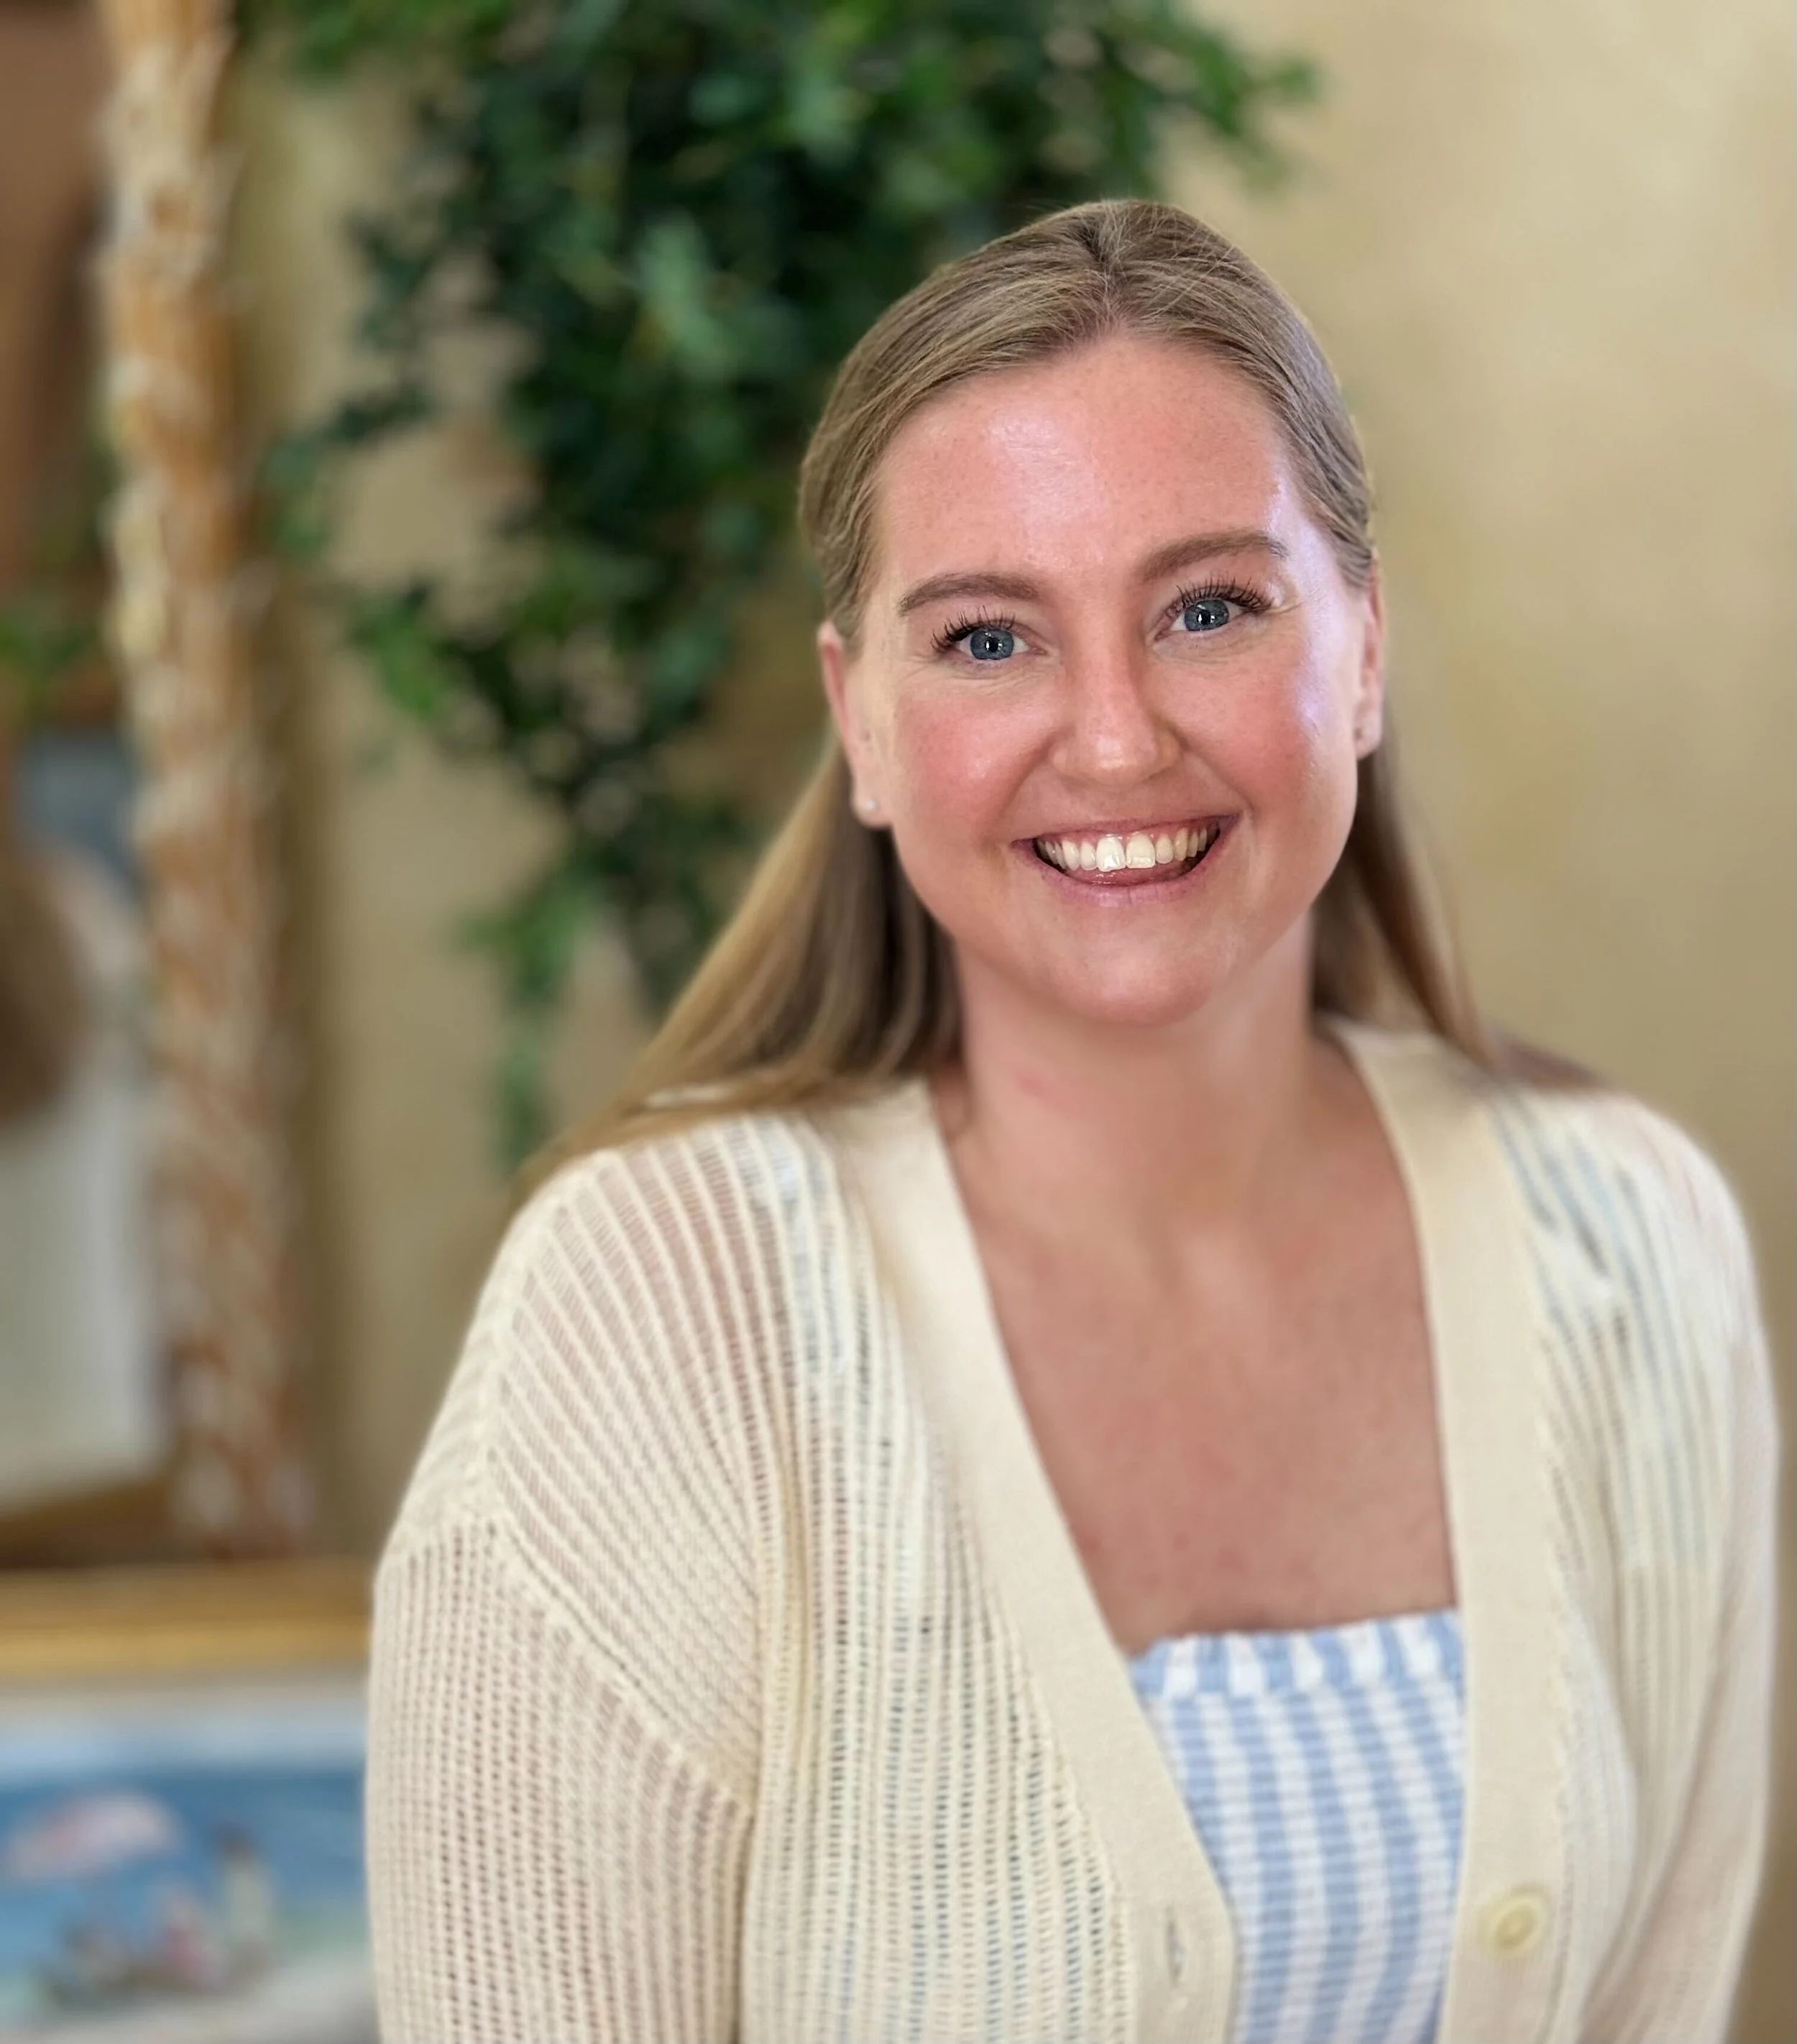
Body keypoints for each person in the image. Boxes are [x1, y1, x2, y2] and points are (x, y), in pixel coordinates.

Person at [365, 199, 1779, 2044]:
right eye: (983, 639)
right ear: (858, 721)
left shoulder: (1627, 1243)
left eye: (1207, 608)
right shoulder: (654, 1314)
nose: (1112, 741)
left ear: (1357, 653)